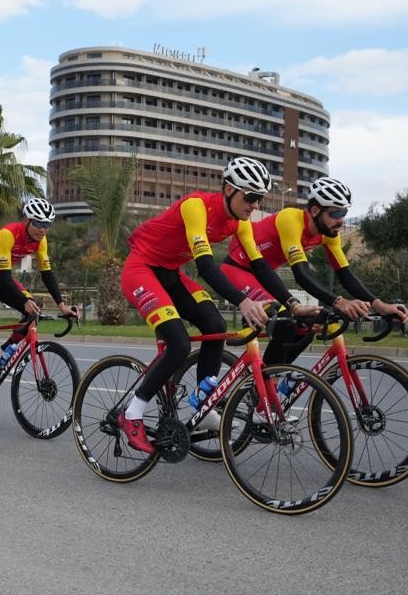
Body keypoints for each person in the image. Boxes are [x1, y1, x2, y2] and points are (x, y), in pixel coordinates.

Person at [118, 156, 318, 454]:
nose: (254, 204)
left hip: (171, 273)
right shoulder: (196, 207)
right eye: (250, 196)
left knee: (216, 325)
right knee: (179, 343)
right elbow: (206, 267)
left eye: (259, 198)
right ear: (228, 190)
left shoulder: (241, 223)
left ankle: (204, 402)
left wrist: (291, 304)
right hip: (142, 270)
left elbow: (261, 267)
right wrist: (243, 301)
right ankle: (132, 413)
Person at [221, 176, 408, 365]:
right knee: (286, 322)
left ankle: (274, 375)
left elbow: (345, 274)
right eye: (335, 214)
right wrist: (339, 302)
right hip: (237, 270)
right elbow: (301, 274)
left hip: (264, 276)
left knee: (309, 323)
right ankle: (267, 379)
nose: (341, 221)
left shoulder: (329, 234)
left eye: (344, 213)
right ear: (315, 210)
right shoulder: (290, 219)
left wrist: (380, 305)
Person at [0, 198, 79, 418]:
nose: (42, 229)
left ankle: (3, 352)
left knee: (32, 311)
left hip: (1, 280)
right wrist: (23, 299)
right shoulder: (8, 234)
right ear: (26, 220)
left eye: (47, 225)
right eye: (38, 223)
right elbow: (6, 276)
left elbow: (47, 274)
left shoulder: (40, 241)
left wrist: (62, 305)